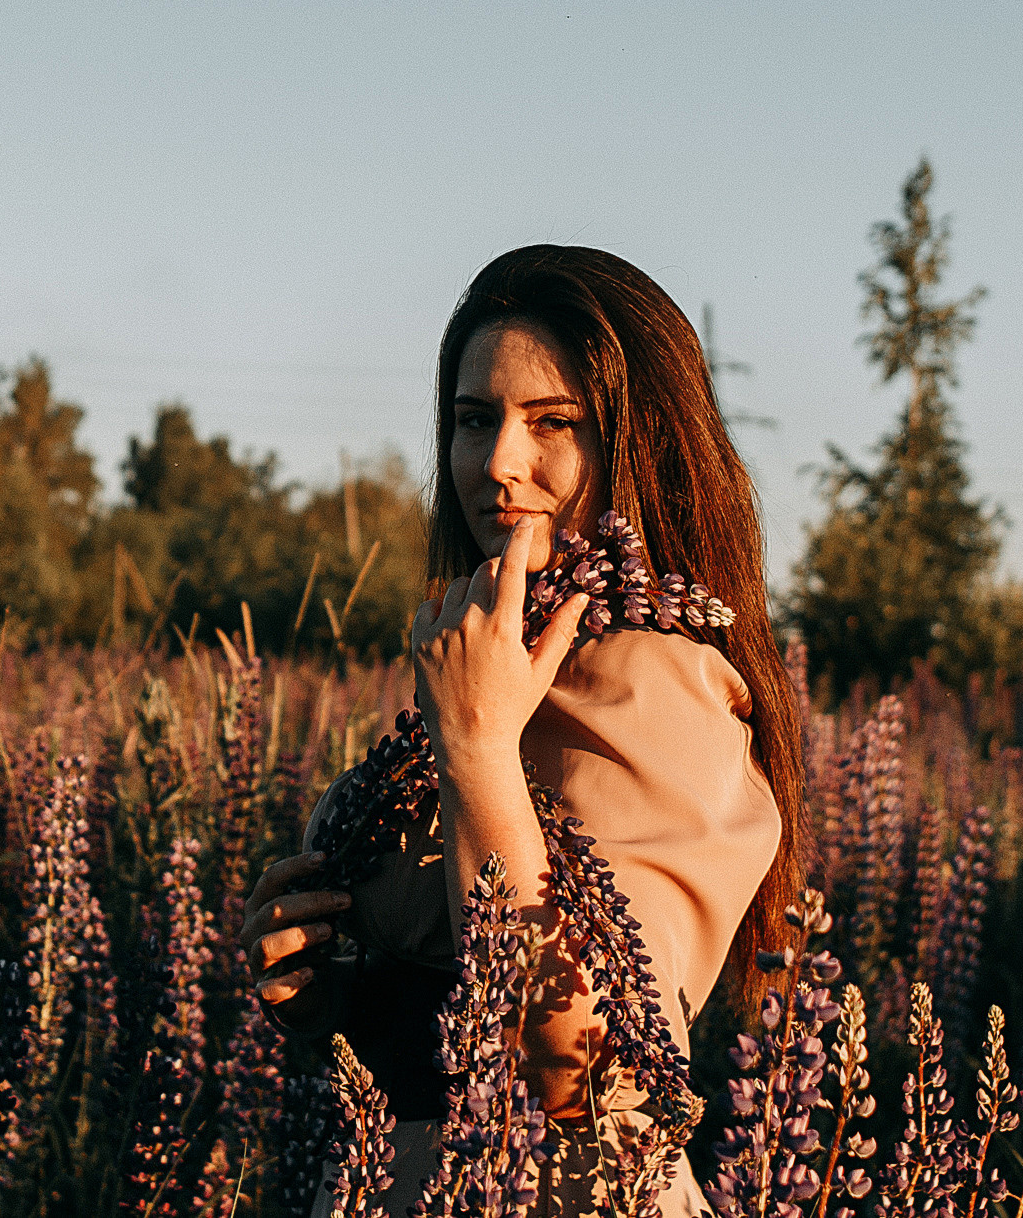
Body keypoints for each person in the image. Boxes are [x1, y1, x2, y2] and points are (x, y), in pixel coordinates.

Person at [242, 245, 803, 1215]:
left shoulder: (654, 679)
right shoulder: (495, 663)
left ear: (639, 445)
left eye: (554, 423)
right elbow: (432, 1015)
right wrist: (324, 994)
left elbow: (576, 1064)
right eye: (473, 420)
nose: (499, 463)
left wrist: (474, 749)